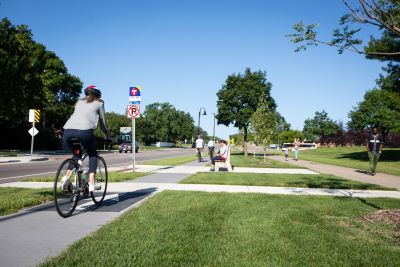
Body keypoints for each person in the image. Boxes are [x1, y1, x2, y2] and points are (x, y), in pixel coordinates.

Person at [62, 85, 109, 192]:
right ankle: (91, 181)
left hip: (67, 132)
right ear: (98, 95)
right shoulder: (99, 104)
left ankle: (66, 177)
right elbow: (103, 123)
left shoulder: (78, 103)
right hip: (85, 133)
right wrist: (107, 135)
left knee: (76, 154)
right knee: (93, 155)